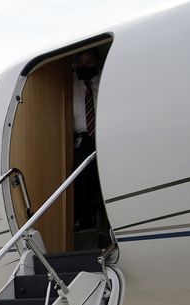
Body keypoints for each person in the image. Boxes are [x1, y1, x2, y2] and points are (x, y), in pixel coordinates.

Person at [71, 48, 109, 246]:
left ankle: (110, 221)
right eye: (82, 62)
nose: (85, 66)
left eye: (90, 62)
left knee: (107, 178)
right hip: (82, 139)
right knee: (83, 180)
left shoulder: (105, 82)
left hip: (106, 135)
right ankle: (84, 222)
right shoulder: (68, 86)